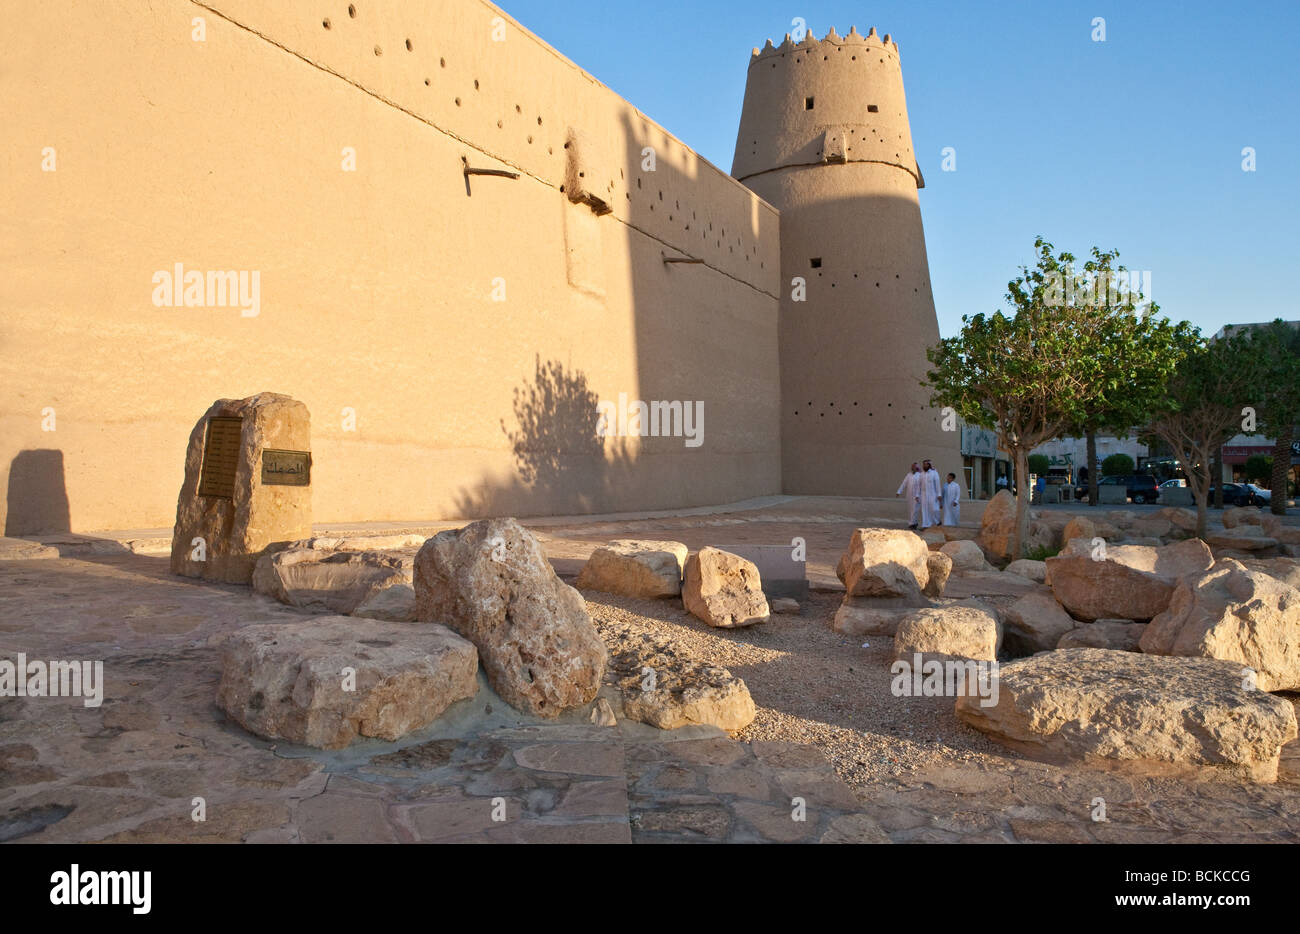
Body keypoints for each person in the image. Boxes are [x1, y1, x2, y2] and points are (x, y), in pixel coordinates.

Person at [896, 462, 922, 529]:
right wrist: (899, 491)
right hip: (909, 495)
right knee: (910, 509)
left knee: (915, 509)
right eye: (912, 466)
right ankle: (913, 523)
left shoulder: (920, 475)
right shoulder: (909, 475)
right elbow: (904, 483)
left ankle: (912, 524)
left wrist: (918, 495)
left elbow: (921, 486)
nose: (912, 468)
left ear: (916, 468)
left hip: (917, 496)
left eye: (913, 467)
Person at [920, 459, 942, 529]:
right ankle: (925, 525)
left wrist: (939, 494)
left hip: (933, 494)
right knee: (924, 510)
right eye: (923, 464)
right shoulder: (922, 474)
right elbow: (919, 485)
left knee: (934, 509)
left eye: (926, 464)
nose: (924, 465)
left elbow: (937, 484)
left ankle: (937, 522)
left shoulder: (934, 473)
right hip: (924, 495)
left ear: (929, 465)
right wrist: (918, 495)